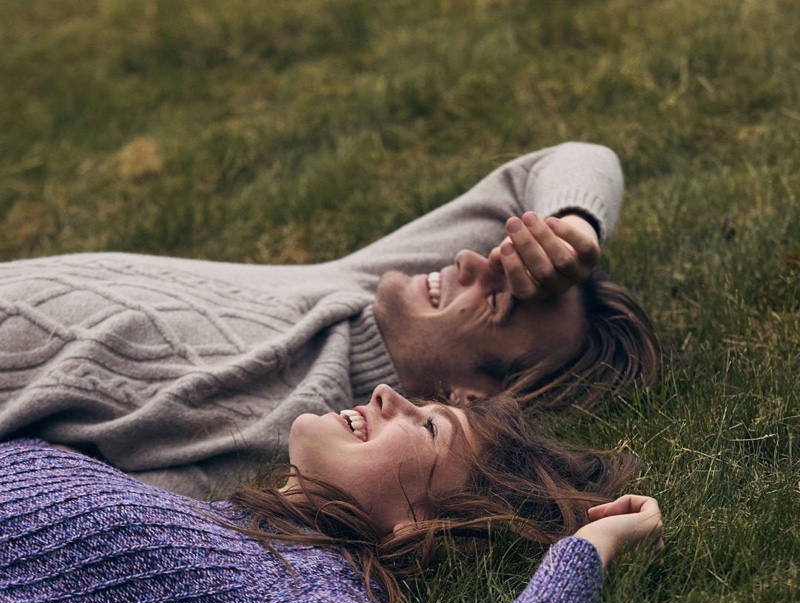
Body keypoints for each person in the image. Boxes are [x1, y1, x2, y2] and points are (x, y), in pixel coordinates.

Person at [0, 142, 659, 499]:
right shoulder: (369, 287)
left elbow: (62, 503)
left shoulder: (293, 435)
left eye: (496, 299)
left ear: (471, 397)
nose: (466, 261)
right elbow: (577, 158)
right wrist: (573, 227)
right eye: (498, 260)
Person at [0, 386, 663, 603]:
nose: (386, 396)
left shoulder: (285, 585)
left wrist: (588, 547)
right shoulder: (231, 520)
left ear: (414, 528)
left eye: (426, 426)